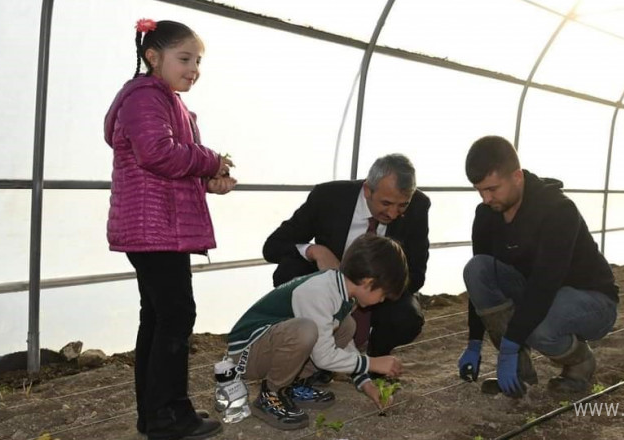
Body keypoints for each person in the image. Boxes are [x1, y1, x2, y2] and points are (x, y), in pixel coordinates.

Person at [103, 18, 235, 440]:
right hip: (154, 226)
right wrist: (210, 160)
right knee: (176, 315)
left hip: (159, 225)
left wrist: (208, 180)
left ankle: (155, 415)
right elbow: (157, 153)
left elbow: (173, 163)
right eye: (185, 58)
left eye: (198, 61)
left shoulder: (168, 101)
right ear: (152, 57)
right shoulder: (146, 96)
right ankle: (168, 417)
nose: (193, 68)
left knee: (158, 317)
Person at [456, 135, 619, 398]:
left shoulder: (557, 210)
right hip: (541, 295)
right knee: (477, 269)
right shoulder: (486, 215)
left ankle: (580, 363)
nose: (486, 199)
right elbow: (483, 283)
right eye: (480, 190)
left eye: (493, 189)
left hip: (592, 300)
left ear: (517, 177)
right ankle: (520, 374)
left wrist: (509, 345)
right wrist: (474, 341)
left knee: (537, 324)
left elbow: (545, 282)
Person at [218, 234, 407, 430]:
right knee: (306, 330)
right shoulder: (319, 292)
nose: (383, 300)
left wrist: (366, 383)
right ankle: (271, 394)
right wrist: (373, 363)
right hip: (245, 354)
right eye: (383, 294)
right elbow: (324, 357)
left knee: (347, 326)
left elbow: (340, 344)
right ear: (368, 282)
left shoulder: (342, 292)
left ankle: (293, 384)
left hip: (269, 347)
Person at [262, 154, 429, 358]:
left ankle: (374, 358)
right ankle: (304, 352)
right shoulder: (328, 197)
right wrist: (316, 251)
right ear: (367, 190)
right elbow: (273, 246)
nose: (393, 213)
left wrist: (371, 289)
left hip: (377, 295)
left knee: (407, 317)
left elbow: (416, 273)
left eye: (402, 205)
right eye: (386, 203)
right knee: (288, 272)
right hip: (325, 287)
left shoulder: (419, 207)